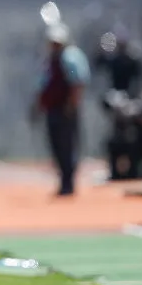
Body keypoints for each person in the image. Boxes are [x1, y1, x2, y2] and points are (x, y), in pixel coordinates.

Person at [30, 23, 90, 196]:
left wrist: (71, 105)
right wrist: (37, 107)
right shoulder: (49, 61)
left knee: (67, 145)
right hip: (53, 109)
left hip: (65, 109)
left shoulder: (71, 58)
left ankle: (68, 182)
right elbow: (43, 86)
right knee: (56, 145)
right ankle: (63, 180)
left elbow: (77, 83)